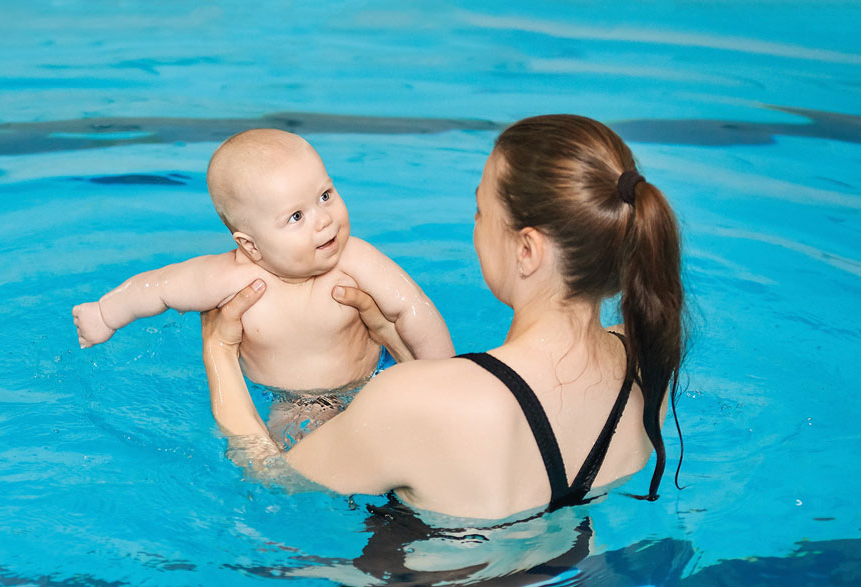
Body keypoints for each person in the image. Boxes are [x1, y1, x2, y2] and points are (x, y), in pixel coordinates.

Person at [201, 114, 685, 520]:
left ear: (526, 249)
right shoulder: (649, 354)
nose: (474, 228)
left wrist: (220, 350)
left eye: (480, 212)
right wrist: (393, 337)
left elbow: (270, 479)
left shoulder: (413, 402)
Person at [72, 129, 454, 445]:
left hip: (377, 376)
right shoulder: (231, 279)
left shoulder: (354, 259)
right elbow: (160, 287)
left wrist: (446, 377)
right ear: (250, 245)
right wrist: (105, 314)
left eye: (325, 195)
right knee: (289, 461)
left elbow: (413, 308)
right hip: (296, 402)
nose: (324, 220)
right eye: (296, 216)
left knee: (417, 420)